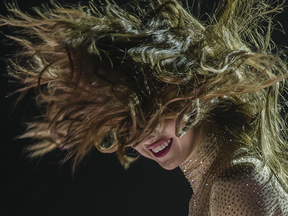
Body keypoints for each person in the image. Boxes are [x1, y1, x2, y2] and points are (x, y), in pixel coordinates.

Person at [1, 0, 288, 215]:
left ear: (189, 91)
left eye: (154, 112)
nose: (145, 137)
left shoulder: (234, 184)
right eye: (127, 125)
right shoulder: (214, 183)